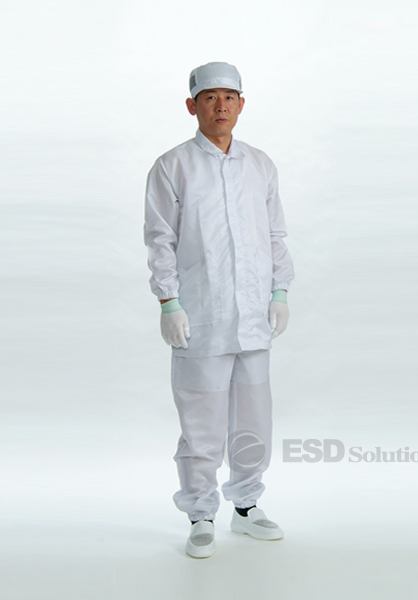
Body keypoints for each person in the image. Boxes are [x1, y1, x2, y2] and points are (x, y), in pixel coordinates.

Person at [143, 62, 295, 559]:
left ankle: (246, 507)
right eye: (210, 97)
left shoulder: (260, 164)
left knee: (254, 420)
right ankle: (200, 514)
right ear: (192, 105)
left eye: (230, 96)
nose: (221, 106)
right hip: (201, 317)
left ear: (242, 104)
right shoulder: (173, 166)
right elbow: (160, 239)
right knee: (201, 423)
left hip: (253, 318)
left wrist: (279, 292)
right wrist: (169, 301)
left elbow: (275, 233)